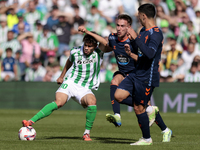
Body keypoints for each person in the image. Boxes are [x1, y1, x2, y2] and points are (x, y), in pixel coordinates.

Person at [22, 30, 106, 141]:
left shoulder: (99, 52)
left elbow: (105, 42)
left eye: (89, 46)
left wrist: (88, 32)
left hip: (84, 88)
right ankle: (30, 121)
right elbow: (69, 61)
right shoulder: (75, 52)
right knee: (59, 102)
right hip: (70, 82)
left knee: (92, 102)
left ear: (95, 46)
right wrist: (62, 76)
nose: (86, 48)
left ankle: (86, 134)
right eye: (85, 45)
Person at [77, 14, 157, 128]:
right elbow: (104, 43)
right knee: (114, 81)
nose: (119, 28)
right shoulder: (113, 38)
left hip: (136, 74)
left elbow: (144, 59)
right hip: (124, 73)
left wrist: (131, 54)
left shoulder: (135, 41)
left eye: (122, 26)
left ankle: (164, 129)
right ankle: (117, 115)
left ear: (129, 27)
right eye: (118, 25)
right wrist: (88, 32)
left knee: (139, 108)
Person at [114, 4, 172, 145]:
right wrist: (131, 50)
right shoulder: (143, 31)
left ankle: (147, 139)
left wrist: (135, 39)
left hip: (147, 76)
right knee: (118, 96)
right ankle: (150, 109)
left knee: (138, 107)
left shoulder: (156, 33)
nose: (137, 17)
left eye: (138, 15)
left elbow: (150, 53)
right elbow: (141, 53)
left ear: (143, 16)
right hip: (137, 71)